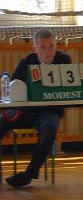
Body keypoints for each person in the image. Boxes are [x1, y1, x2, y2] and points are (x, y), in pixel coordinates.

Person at [3, 29, 72, 189]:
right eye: (43, 47)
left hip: (49, 112)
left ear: (56, 45)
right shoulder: (26, 62)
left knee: (49, 130)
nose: (48, 51)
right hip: (26, 112)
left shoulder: (63, 60)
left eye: (51, 46)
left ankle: (29, 174)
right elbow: (13, 89)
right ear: (35, 48)